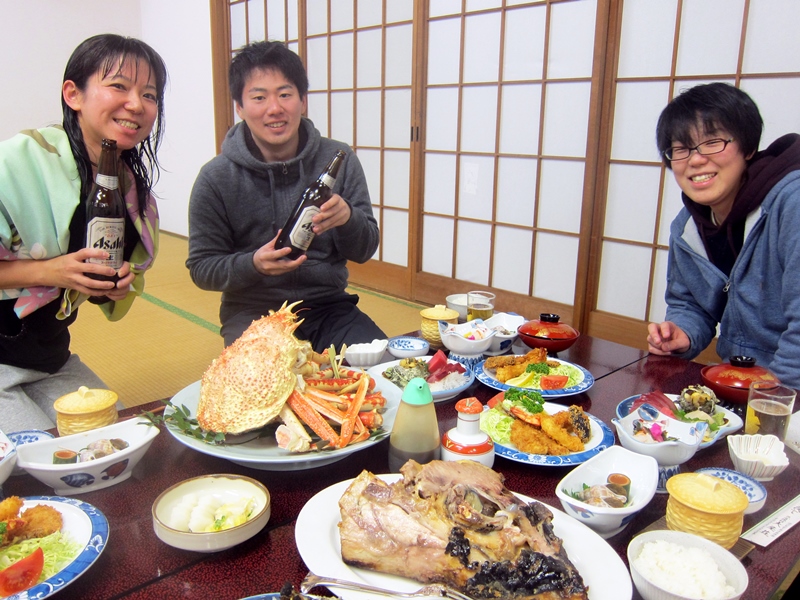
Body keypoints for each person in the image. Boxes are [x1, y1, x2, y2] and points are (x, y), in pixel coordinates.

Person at [0, 34, 167, 431]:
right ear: (73, 94)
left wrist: (114, 286)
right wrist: (51, 271)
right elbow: (54, 273)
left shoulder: (130, 192)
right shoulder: (15, 163)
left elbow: (97, 285)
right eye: (119, 86)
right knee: (31, 466)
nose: (136, 104)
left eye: (150, 94)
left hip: (50, 359)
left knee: (126, 441)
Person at [187, 41, 386, 351]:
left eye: (285, 94)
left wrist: (347, 219)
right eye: (258, 97)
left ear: (303, 100)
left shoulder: (338, 160)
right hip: (254, 312)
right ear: (239, 106)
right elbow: (202, 269)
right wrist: (253, 264)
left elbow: (365, 248)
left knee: (383, 369)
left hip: (328, 307)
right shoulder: (216, 177)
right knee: (258, 391)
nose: (274, 108)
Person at [646, 82, 800, 388]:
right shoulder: (687, 225)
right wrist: (683, 334)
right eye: (681, 149)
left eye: (713, 142)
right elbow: (690, 304)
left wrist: (773, 401)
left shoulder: (791, 203)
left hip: (785, 393)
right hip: (738, 382)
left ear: (749, 147)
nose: (696, 159)